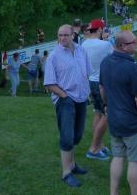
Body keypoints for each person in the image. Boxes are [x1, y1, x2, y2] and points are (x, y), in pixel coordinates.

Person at [100, 31, 137, 195]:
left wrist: (107, 105)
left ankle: (113, 192)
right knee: (134, 161)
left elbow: (102, 89)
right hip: (133, 121)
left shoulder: (106, 62)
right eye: (133, 42)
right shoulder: (132, 68)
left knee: (118, 156)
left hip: (114, 118)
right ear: (123, 46)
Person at [44, 25, 92, 188]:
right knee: (66, 136)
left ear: (73, 35)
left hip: (81, 98)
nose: (62, 38)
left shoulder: (81, 51)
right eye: (60, 35)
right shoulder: (54, 56)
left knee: (77, 136)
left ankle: (72, 164)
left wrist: (87, 94)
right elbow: (49, 83)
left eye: (66, 35)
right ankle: (66, 173)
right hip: (65, 99)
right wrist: (65, 97)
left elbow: (87, 73)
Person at [81, 19, 113, 161]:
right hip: (102, 83)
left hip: (90, 82)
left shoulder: (84, 44)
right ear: (100, 30)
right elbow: (114, 58)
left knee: (97, 113)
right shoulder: (105, 45)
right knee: (107, 114)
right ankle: (93, 148)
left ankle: (100, 145)